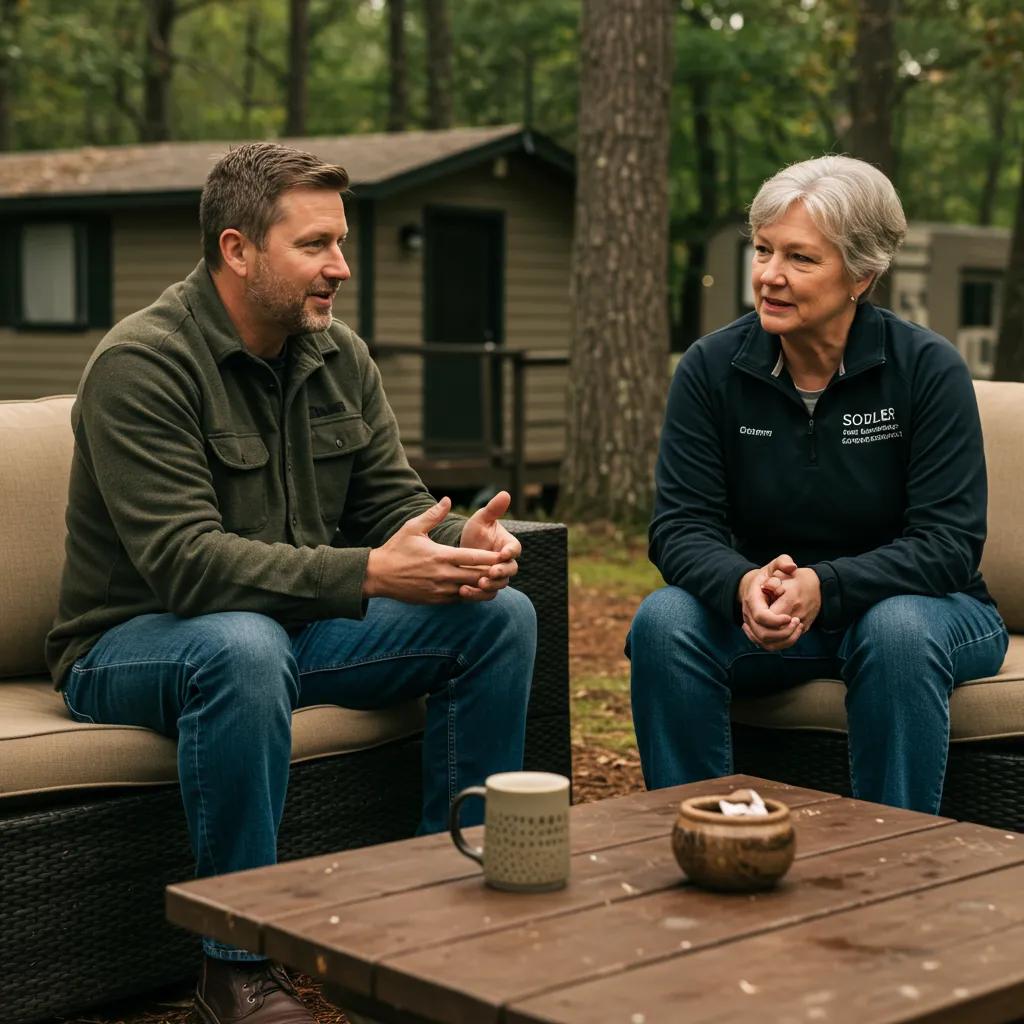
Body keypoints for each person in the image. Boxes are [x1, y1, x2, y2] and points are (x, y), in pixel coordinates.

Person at [45, 142, 536, 1024]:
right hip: (135, 643)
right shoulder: (142, 366)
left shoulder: (335, 355)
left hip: (287, 634)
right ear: (237, 250)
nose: (340, 267)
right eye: (315, 246)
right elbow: (188, 564)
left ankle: (445, 914)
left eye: (340, 243)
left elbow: (394, 506)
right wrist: (373, 571)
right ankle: (234, 965)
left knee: (500, 618)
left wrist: (468, 544)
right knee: (242, 643)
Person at [628, 155, 1008, 817]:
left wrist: (824, 588)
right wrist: (745, 585)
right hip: (769, 615)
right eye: (764, 250)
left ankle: (893, 855)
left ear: (862, 274)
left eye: (801, 259)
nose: (769, 276)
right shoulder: (711, 370)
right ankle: (703, 838)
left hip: (922, 609)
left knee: (895, 631)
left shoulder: (925, 369)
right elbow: (679, 528)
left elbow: (948, 545)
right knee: (663, 621)